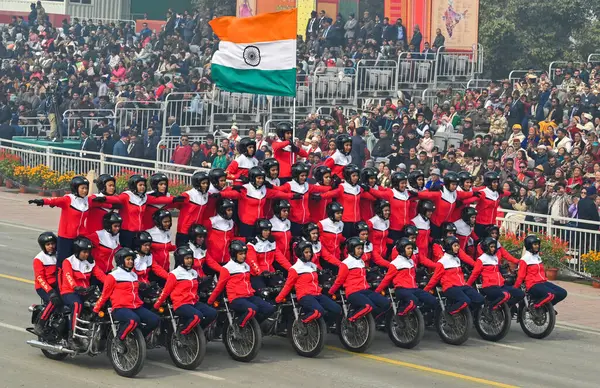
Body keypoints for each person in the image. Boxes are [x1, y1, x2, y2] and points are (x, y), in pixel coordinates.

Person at [93, 248, 159, 350]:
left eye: (132, 259)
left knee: (155, 320)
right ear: (120, 260)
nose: (131, 262)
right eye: (128, 259)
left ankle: (138, 337)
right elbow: (105, 295)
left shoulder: (133, 275)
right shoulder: (113, 276)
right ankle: (118, 339)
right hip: (120, 308)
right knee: (133, 320)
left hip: (135, 306)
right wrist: (96, 310)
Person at [28, 176, 100, 266]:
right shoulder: (68, 199)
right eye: (82, 188)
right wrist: (42, 201)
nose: (85, 191)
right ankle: (60, 280)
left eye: (86, 188)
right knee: (63, 263)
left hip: (81, 236)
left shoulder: (88, 200)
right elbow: (54, 200)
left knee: (83, 261)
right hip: (66, 237)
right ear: (75, 188)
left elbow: (104, 200)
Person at [208, 240, 276, 327]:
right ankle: (238, 327)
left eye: (244, 253)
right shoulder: (227, 268)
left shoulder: (246, 266)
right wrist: (210, 301)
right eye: (240, 254)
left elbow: (253, 277)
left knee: (269, 308)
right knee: (252, 309)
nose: (243, 256)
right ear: (234, 254)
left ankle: (252, 327)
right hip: (236, 298)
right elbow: (219, 287)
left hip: (249, 296)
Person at [153, 246, 217, 334]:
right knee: (197, 316)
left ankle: (197, 333)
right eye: (187, 258)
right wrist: (156, 306)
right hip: (181, 304)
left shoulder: (194, 273)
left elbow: (198, 287)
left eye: (190, 258)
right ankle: (182, 335)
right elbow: (165, 292)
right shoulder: (174, 274)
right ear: (180, 260)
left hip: (193, 302)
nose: (190, 260)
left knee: (212, 313)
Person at [276, 241, 342, 323]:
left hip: (317, 294)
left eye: (310, 252)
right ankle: (301, 323)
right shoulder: (295, 269)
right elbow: (288, 285)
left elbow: (315, 282)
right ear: (300, 253)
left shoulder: (313, 266)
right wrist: (278, 299)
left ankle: (324, 324)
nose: (309, 254)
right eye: (306, 252)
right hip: (305, 296)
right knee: (318, 311)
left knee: (337, 309)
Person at [329, 237, 391, 320]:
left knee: (386, 303)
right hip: (353, 292)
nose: (360, 251)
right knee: (368, 306)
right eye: (358, 248)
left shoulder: (361, 261)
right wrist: (331, 292)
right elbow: (339, 280)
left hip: (365, 290)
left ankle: (373, 321)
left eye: (361, 248)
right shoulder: (345, 263)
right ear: (351, 249)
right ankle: (350, 319)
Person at [60, 237, 106, 349]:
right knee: (77, 304)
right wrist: (75, 287)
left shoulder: (90, 263)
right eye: (84, 252)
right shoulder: (68, 261)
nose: (86, 255)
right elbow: (68, 276)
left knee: (103, 303)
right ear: (77, 251)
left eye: (88, 252)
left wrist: (113, 282)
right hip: (69, 292)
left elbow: (100, 275)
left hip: (86, 292)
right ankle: (73, 336)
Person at [115, 175, 183, 248]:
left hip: (148, 232)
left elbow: (160, 200)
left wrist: (174, 199)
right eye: (140, 185)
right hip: (133, 231)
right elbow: (115, 200)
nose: (143, 187)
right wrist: (105, 199)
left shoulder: (148, 197)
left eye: (144, 185)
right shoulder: (133, 196)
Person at [227, 166, 296, 237]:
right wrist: (221, 193)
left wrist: (292, 195)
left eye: (262, 178)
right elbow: (230, 193)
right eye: (259, 178)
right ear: (253, 178)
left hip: (260, 223)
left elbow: (277, 194)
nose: (261, 180)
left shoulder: (264, 189)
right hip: (247, 224)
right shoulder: (244, 189)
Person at [375, 238, 437, 315]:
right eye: (408, 248)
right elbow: (386, 279)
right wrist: (377, 292)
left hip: (413, 288)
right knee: (413, 301)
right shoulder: (395, 263)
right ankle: (400, 315)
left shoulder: (411, 261)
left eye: (411, 248)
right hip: (402, 290)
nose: (410, 250)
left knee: (433, 300)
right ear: (402, 249)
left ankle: (420, 316)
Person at [423, 236, 484, 315]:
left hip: (461, 285)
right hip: (450, 287)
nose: (457, 248)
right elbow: (435, 278)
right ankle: (448, 314)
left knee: (480, 299)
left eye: (458, 246)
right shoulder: (442, 262)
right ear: (449, 247)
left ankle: (466, 315)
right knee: (465, 300)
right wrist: (425, 291)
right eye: (455, 246)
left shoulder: (457, 259)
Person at [467, 237, 525, 310]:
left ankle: (505, 308)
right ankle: (490, 309)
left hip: (500, 285)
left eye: (494, 247)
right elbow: (474, 274)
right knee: (505, 295)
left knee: (520, 294)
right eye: (491, 247)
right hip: (489, 286)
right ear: (486, 247)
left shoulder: (495, 258)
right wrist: (468, 285)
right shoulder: (481, 260)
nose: (493, 249)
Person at [417, 172, 478, 238]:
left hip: (446, 224)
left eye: (456, 185)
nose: (455, 187)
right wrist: (416, 194)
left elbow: (463, 194)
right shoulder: (440, 192)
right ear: (447, 183)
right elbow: (425, 194)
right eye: (453, 184)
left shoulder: (455, 192)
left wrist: (473, 194)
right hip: (435, 224)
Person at [515, 235, 568, 308]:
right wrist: (515, 288)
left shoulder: (537, 257)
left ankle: (545, 309)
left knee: (562, 293)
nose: (537, 246)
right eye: (535, 244)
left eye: (538, 244)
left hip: (543, 282)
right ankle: (535, 307)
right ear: (529, 245)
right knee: (550, 294)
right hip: (532, 285)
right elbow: (520, 276)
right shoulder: (524, 259)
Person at [246, 219, 291, 290]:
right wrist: (260, 273)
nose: (268, 232)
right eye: (265, 230)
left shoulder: (271, 242)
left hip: (271, 272)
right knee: (264, 291)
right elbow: (253, 262)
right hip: (257, 275)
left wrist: (291, 268)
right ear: (259, 231)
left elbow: (281, 258)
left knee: (282, 288)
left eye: (269, 230)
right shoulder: (252, 244)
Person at [32, 232, 60, 335]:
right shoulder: (39, 259)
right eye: (48, 245)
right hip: (43, 287)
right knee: (53, 301)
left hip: (57, 285)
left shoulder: (58, 255)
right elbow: (40, 278)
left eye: (53, 243)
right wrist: (50, 291)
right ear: (43, 246)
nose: (51, 246)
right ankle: (41, 324)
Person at [174, 172, 212, 245]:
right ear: (197, 183)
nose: (206, 185)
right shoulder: (188, 195)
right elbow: (176, 205)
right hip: (184, 230)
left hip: (197, 230)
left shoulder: (207, 195)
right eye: (203, 183)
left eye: (207, 183)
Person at [473, 171, 509, 238]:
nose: (496, 184)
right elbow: (472, 198)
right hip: (481, 223)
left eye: (497, 182)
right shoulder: (483, 192)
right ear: (489, 182)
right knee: (479, 242)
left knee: (491, 244)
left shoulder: (497, 192)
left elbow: (507, 193)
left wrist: (513, 192)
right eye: (494, 182)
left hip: (492, 223)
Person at [204, 199, 237, 272]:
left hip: (225, 260)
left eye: (231, 210)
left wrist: (245, 239)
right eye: (228, 210)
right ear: (222, 210)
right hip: (212, 259)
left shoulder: (231, 223)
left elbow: (232, 239)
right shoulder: (211, 221)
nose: (231, 212)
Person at [146, 209, 177, 277]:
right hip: (153, 271)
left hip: (166, 268)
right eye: (165, 222)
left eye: (169, 221)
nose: (167, 224)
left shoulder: (168, 232)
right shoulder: (149, 233)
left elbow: (167, 247)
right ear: (158, 222)